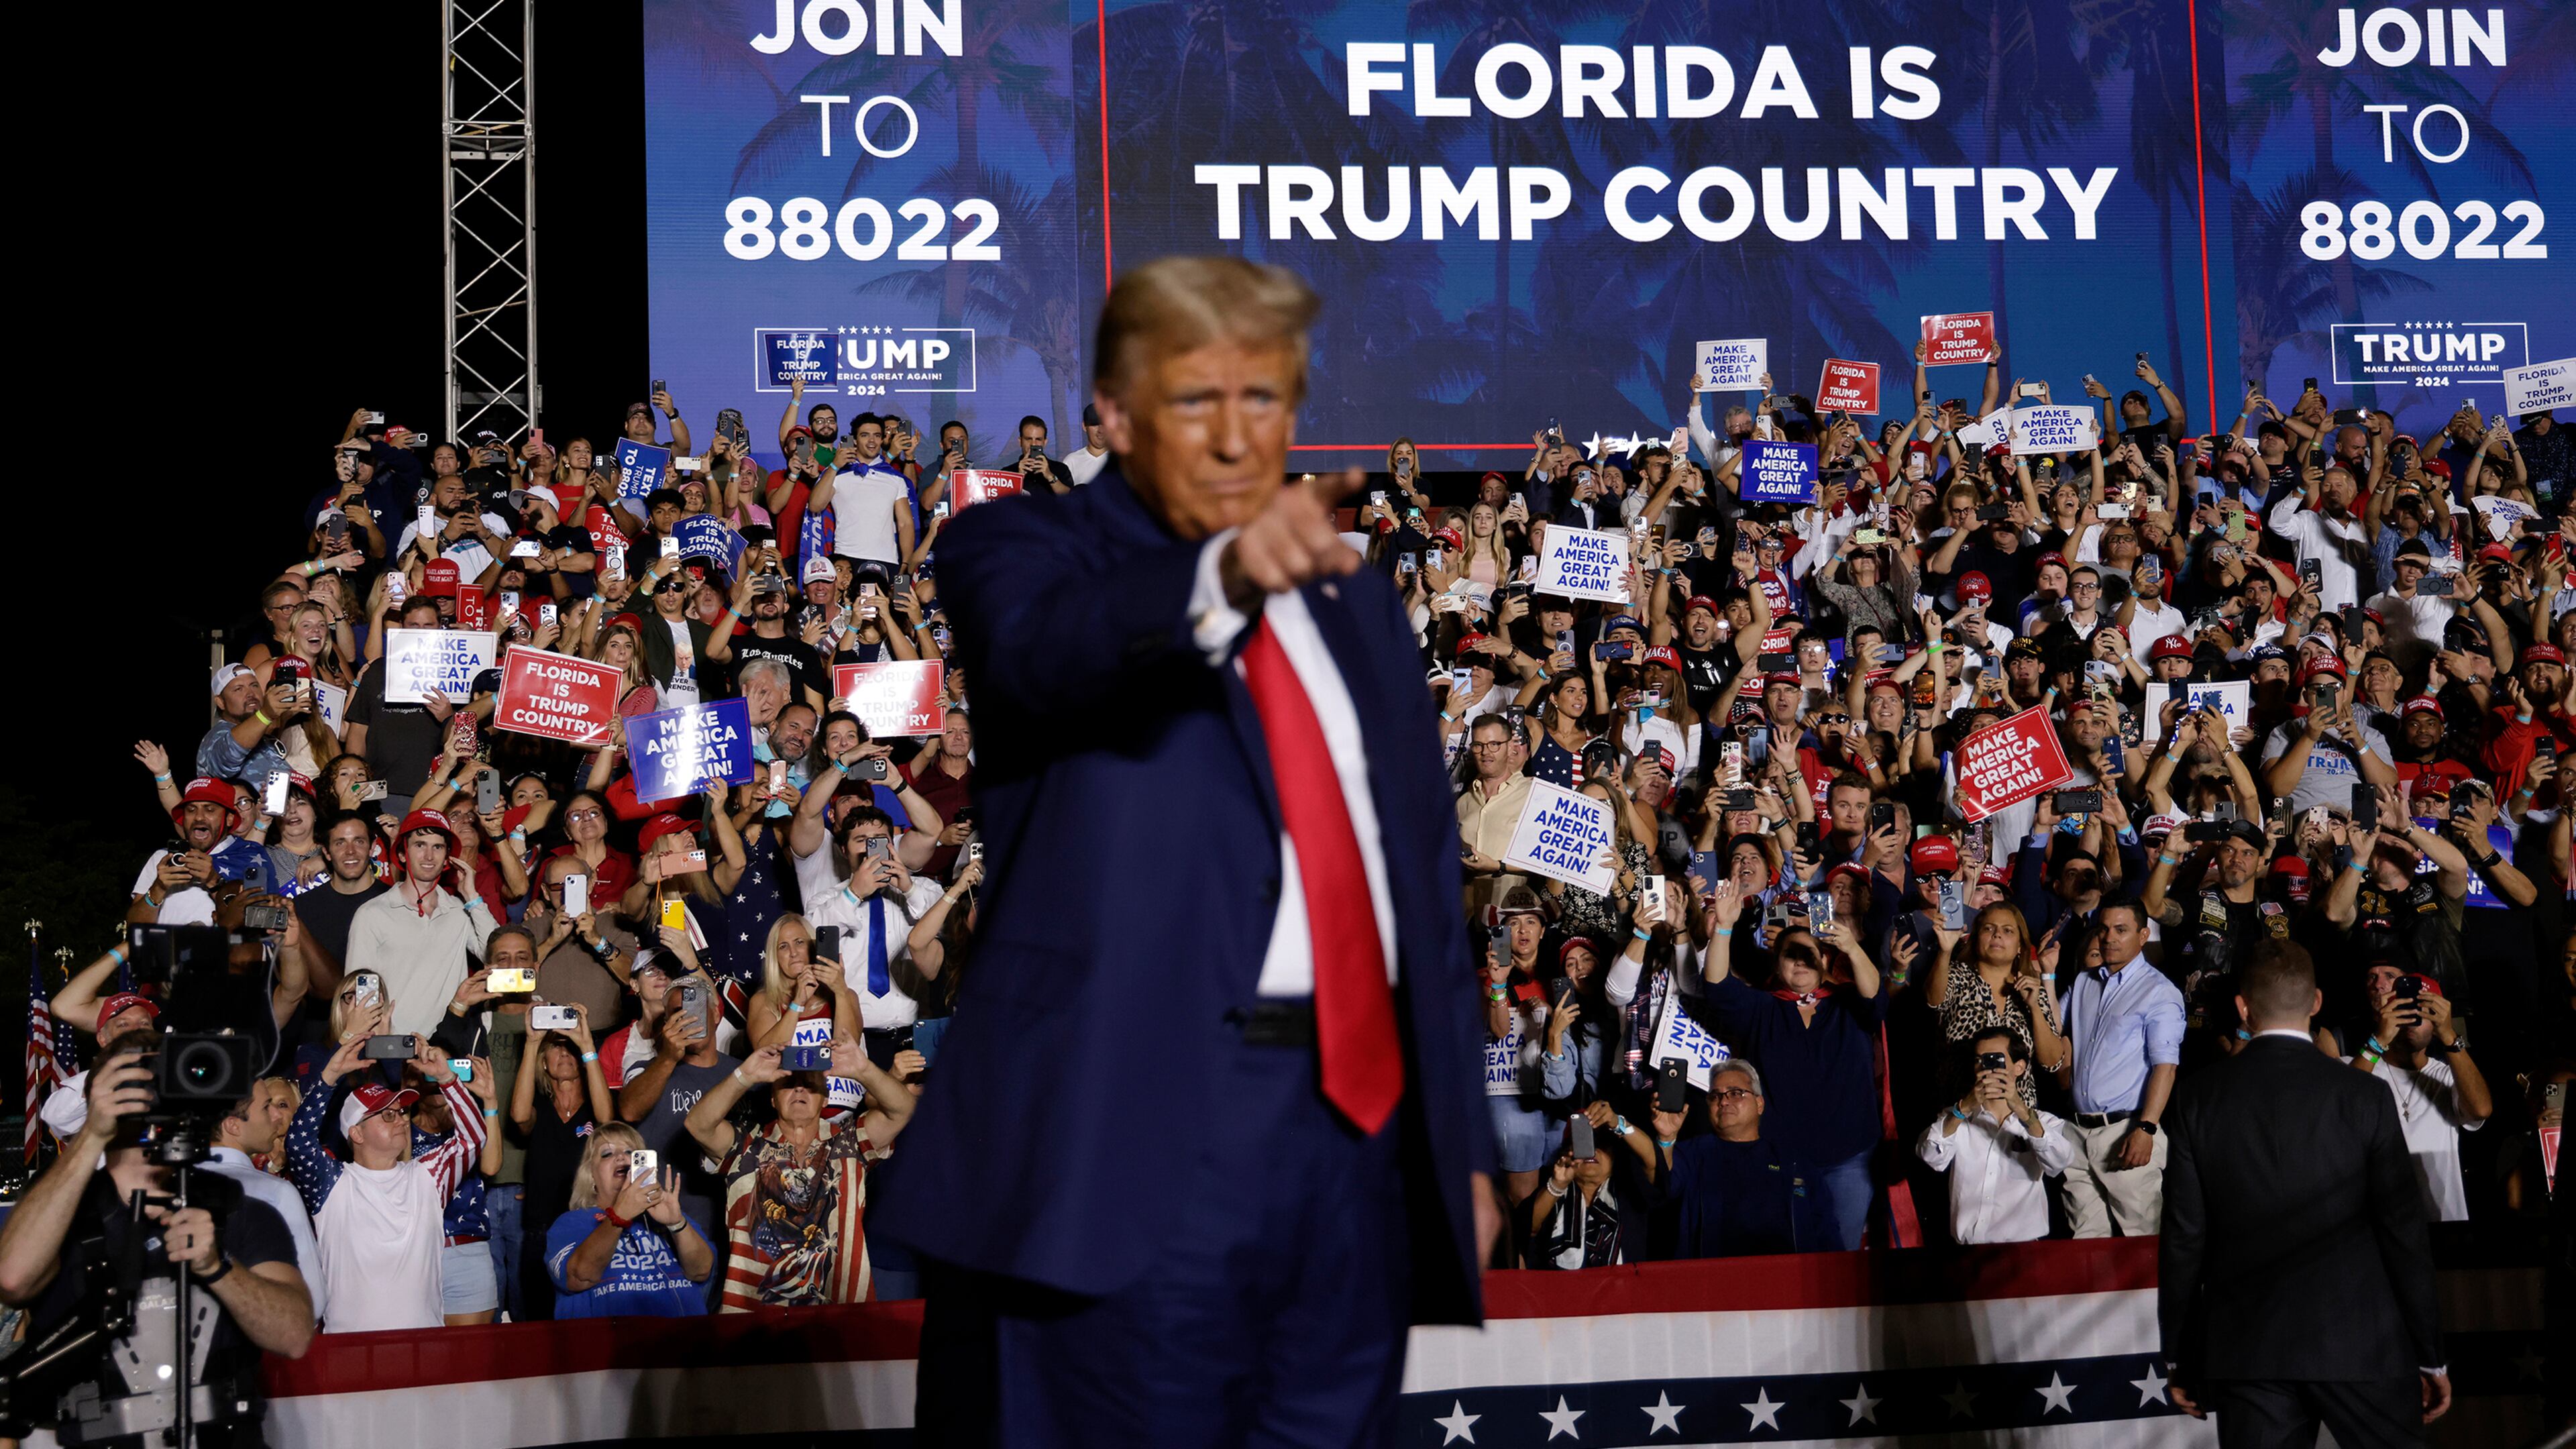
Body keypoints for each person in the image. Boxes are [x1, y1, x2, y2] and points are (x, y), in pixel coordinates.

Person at [877, 256, 1495, 1448]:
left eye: (1260, 399)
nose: (1232, 436)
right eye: (1193, 399)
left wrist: (1452, 1152)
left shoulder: (1354, 600)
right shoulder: (1020, 552)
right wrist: (1219, 577)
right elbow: (1047, 655)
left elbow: (1419, 887)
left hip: (1353, 1149)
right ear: (1111, 410)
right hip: (1134, 1137)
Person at [2159, 941, 2450, 1444]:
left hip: (2249, 1350)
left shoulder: (2197, 1096)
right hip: (2362, 1344)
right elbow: (2403, 1229)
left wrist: (2181, 1354)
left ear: (2243, 1008)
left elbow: (2184, 1236)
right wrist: (2429, 1351)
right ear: (2316, 1003)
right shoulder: (2364, 1094)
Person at [0, 1040, 315, 1446]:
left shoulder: (235, 1209)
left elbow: (294, 1336)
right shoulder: (60, 1219)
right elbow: (11, 1279)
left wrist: (218, 1267)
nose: (151, 1095)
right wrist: (92, 1132)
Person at [283, 1032, 492, 1332]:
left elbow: (474, 1139)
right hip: (349, 1349)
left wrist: (448, 1079)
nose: (401, 1120)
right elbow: (298, 1145)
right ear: (356, 1133)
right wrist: (329, 1076)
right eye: (387, 1115)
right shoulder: (332, 1182)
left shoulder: (428, 1175)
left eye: (401, 1112)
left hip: (422, 1346)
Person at [2055, 900, 2184, 1238]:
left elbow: (2165, 1068)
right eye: (2104, 929)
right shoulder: (2084, 982)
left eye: (2121, 930)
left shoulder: (2159, 992)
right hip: (2078, 1131)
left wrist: (2147, 1129)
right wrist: (2044, 974)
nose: (2109, 938)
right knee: (2084, 1247)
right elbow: (2055, 1030)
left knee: (2141, 1242)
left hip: (2127, 1131)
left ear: (2143, 936)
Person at [1916, 1028, 2075, 1244]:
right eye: (1979, 1060)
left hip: (2023, 1250)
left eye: (1995, 1059)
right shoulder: (1955, 1118)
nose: (1986, 1068)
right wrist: (1962, 1110)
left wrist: (2022, 1112)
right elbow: (1930, 1157)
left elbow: (2060, 1161)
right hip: (1968, 1251)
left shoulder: (2045, 1122)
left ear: (2019, 1067)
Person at [545, 1121, 714, 1318]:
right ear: (591, 1176)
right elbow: (580, 1277)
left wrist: (677, 1224)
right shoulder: (572, 1223)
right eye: (607, 1154)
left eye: (631, 1153)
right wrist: (620, 1216)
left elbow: (702, 1271)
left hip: (679, 1343)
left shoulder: (670, 1216)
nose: (621, 1157)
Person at [202, 1076, 325, 1323]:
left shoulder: (169, 1184)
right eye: (266, 1106)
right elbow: (313, 1301)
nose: (277, 1117)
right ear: (233, 1126)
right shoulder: (275, 1192)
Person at [1660, 1059, 1803, 1257]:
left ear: (1759, 1104)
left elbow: (1821, 1229)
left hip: (1778, 1278)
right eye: (1715, 1096)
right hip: (1708, 1280)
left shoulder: (1790, 1163)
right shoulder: (1692, 1154)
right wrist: (1666, 1138)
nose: (1723, 1101)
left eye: (1735, 1093)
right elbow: (1664, 1185)